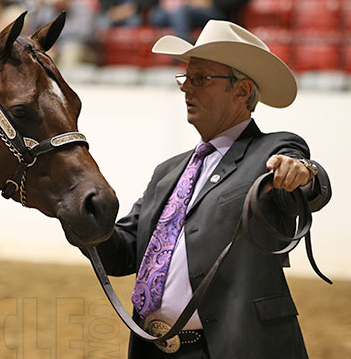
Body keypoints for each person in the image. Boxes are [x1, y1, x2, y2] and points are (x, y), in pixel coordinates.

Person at [92, 20, 332, 358]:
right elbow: (123, 253)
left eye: (200, 78)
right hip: (157, 350)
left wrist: (303, 174)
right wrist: (82, 216)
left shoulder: (272, 151)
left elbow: (307, 182)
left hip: (235, 348)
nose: (186, 88)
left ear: (242, 91)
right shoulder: (168, 172)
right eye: (186, 78)